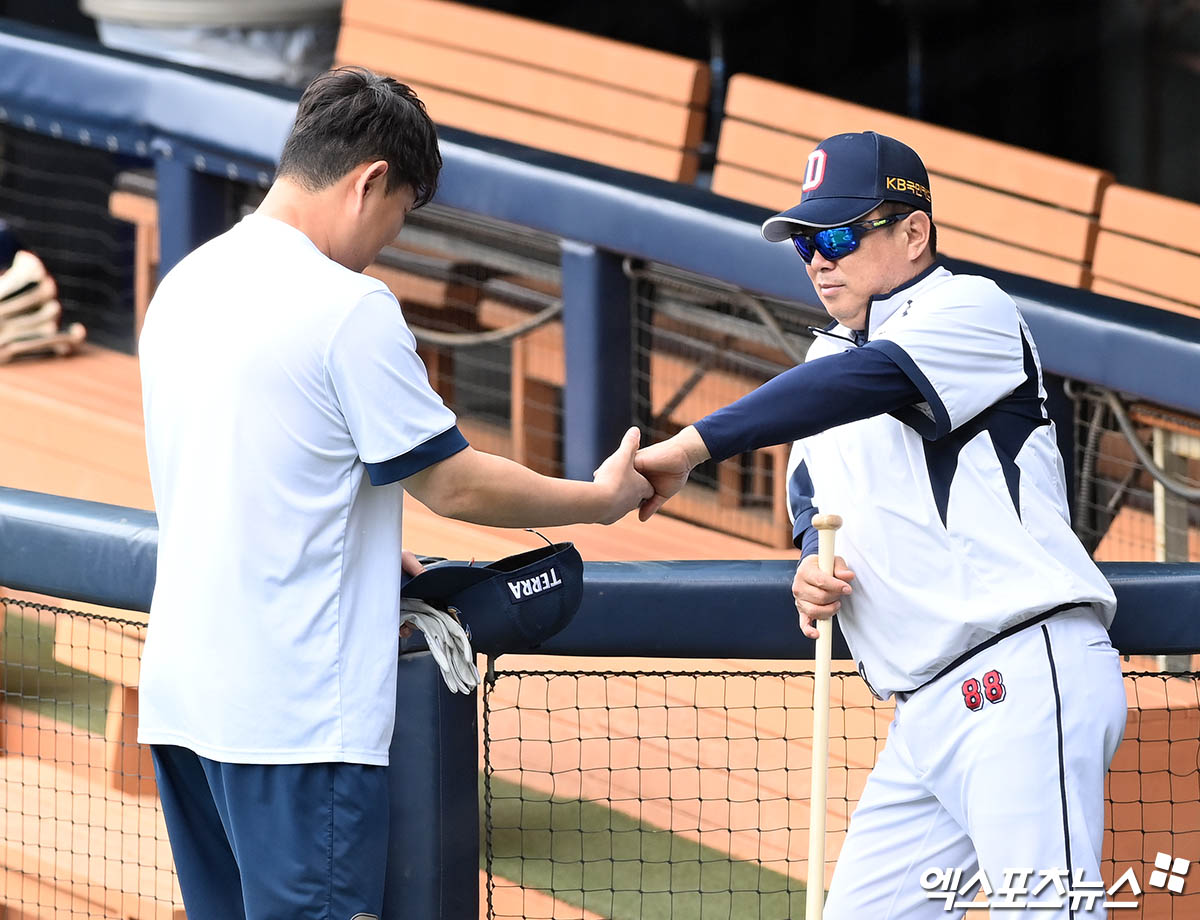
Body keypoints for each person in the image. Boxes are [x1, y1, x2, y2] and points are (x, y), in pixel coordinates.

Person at [137, 65, 652, 920]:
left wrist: (360, 545)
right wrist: (597, 500)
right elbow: (451, 483)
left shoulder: (186, 282)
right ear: (370, 180)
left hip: (185, 706)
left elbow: (249, 474)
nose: (388, 239)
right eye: (399, 212)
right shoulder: (347, 306)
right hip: (293, 726)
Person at [634, 130, 1127, 917]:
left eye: (838, 234)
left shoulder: (971, 309)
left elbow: (868, 383)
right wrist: (809, 567)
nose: (819, 258)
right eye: (805, 243)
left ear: (913, 231)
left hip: (1020, 683)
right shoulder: (822, 360)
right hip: (924, 716)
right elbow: (811, 500)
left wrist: (695, 445)